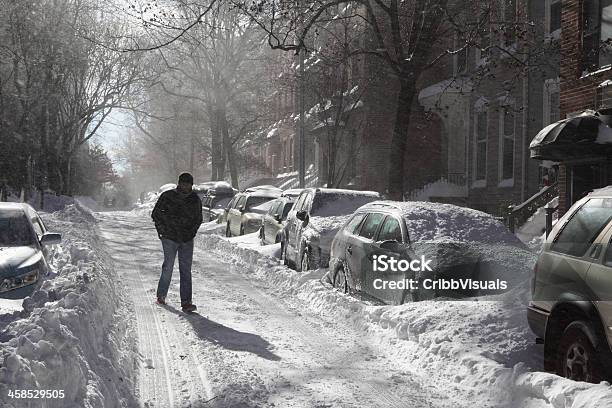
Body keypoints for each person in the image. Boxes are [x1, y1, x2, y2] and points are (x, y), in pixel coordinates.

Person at [151, 172, 203, 312]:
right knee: (168, 266)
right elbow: (156, 214)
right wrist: (162, 231)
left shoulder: (194, 199)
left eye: (188, 183)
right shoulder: (168, 196)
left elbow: (198, 218)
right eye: (183, 183)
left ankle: (186, 302)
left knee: (186, 270)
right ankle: (161, 295)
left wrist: (191, 232)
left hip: (187, 239)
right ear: (178, 183)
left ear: (191, 185)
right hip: (169, 237)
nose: (185, 186)